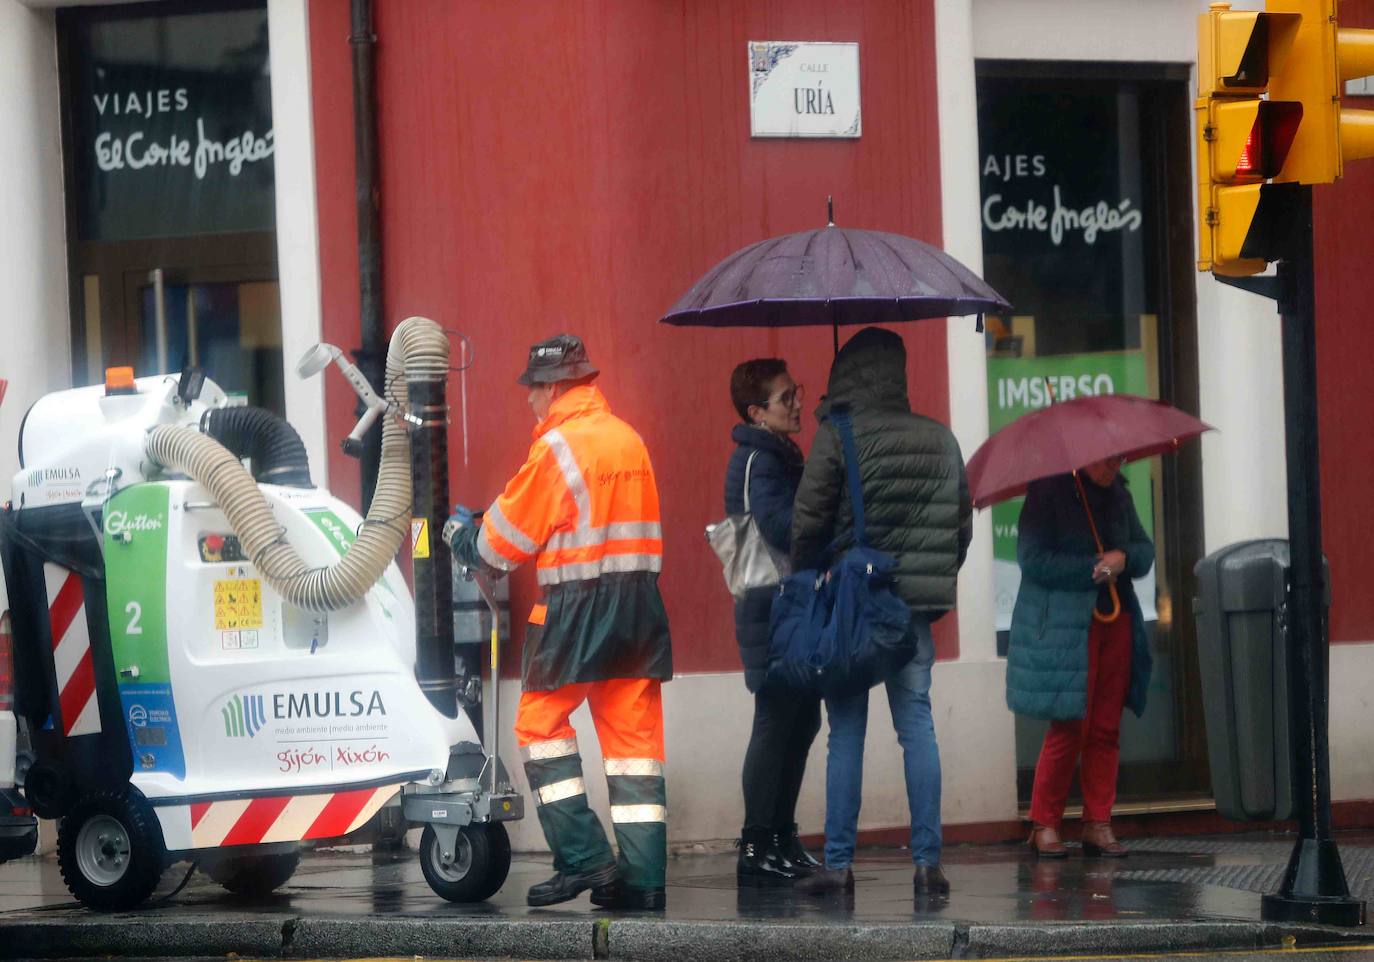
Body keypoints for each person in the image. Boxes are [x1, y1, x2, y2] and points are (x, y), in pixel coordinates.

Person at [444, 333, 673, 910]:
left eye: (532, 391)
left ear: (551, 387)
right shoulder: (629, 440)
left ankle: (583, 858)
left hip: (577, 608)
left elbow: (502, 545)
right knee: (634, 748)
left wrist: (461, 537)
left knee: (539, 729)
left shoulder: (558, 449)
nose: (528, 402)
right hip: (641, 609)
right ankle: (644, 883)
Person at [789, 327, 972, 899]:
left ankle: (839, 866)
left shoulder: (837, 433)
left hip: (852, 607)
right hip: (910, 612)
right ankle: (927, 863)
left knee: (846, 732)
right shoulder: (941, 438)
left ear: (847, 373)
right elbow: (959, 529)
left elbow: (808, 520)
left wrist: (809, 571)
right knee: (917, 725)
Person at [1007, 458, 1154, 859]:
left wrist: (1123, 559)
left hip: (1116, 619)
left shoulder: (1119, 495)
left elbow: (1144, 550)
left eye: (1118, 459)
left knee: (1106, 727)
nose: (1113, 466)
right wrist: (1093, 568)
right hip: (1069, 628)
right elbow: (1032, 559)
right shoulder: (1048, 491)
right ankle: (1044, 823)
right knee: (1070, 725)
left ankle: (1097, 823)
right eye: (1107, 460)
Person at [723, 358, 821, 885]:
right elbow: (782, 527)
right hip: (772, 606)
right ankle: (759, 842)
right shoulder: (761, 459)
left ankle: (780, 835)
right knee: (778, 721)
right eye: (787, 398)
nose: (798, 403)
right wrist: (821, 497)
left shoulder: (776, 455)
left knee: (802, 721)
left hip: (784, 604)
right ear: (758, 412)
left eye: (796, 391)